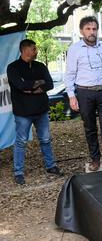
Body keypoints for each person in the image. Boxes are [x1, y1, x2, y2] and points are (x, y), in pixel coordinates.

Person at [65, 16, 102, 171]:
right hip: (84, 93)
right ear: (81, 31)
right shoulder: (74, 49)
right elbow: (70, 74)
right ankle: (95, 160)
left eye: (94, 29)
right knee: (90, 128)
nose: (92, 32)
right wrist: (71, 95)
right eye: (88, 29)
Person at [7, 39, 62, 185]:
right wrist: (38, 83)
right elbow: (20, 85)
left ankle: (51, 166)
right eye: (33, 49)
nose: (36, 51)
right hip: (23, 112)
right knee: (21, 142)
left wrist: (30, 87)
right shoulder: (13, 68)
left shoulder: (40, 66)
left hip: (41, 110)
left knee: (45, 139)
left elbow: (49, 83)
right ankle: (18, 172)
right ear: (24, 49)